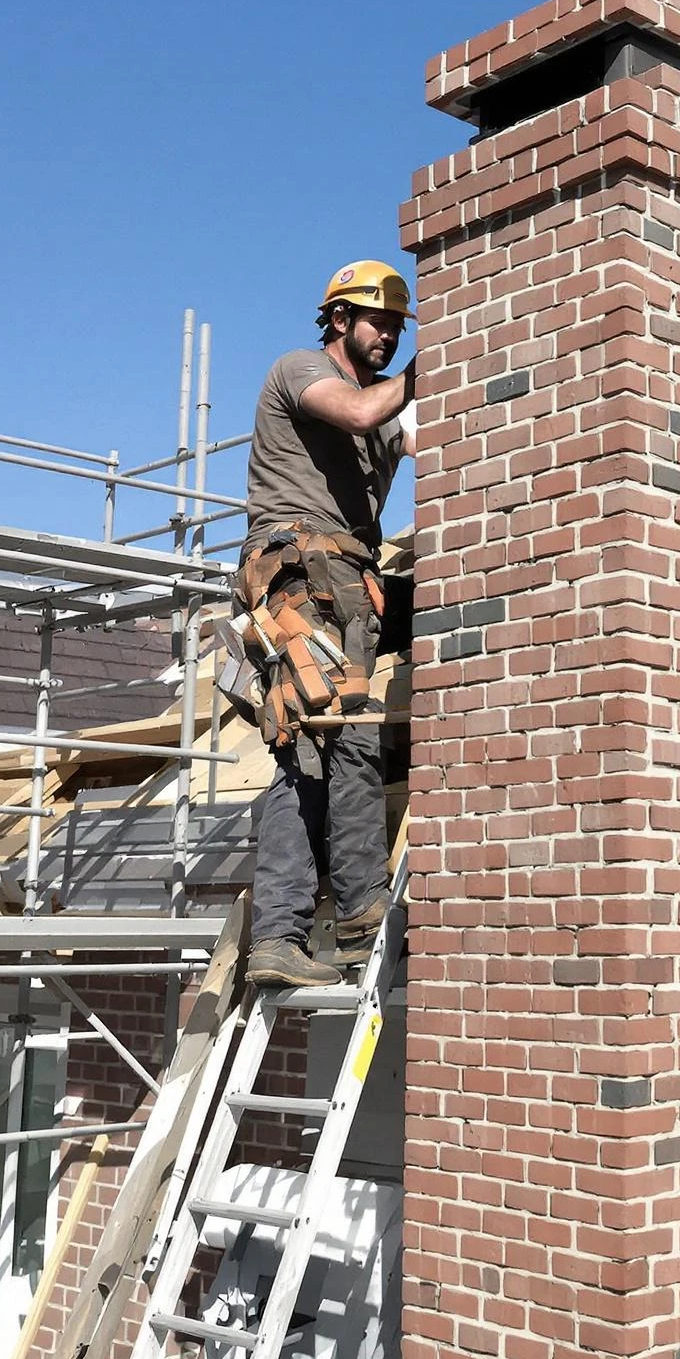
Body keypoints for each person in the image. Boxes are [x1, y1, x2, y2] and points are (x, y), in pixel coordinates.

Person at [235, 259, 417, 988]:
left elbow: (433, 439)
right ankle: (358, 908)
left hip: (348, 580)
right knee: (338, 739)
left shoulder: (387, 405)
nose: (391, 337)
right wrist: (430, 370)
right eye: (380, 322)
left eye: (400, 327)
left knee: (310, 748)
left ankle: (288, 932)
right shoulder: (301, 369)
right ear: (340, 318)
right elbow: (361, 412)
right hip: (299, 571)